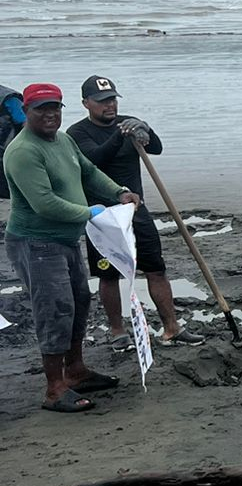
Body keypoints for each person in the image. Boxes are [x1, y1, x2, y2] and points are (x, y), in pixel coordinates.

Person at [3, 83, 141, 412]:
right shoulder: (23, 151)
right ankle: (54, 388)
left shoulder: (63, 140)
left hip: (65, 239)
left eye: (56, 108)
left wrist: (118, 192)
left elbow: (89, 172)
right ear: (26, 111)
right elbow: (44, 204)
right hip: (35, 241)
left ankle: (76, 371)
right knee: (54, 310)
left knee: (79, 301)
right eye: (41, 109)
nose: (50, 114)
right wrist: (89, 212)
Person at [67, 76, 204, 348]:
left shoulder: (128, 122)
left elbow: (157, 148)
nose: (110, 105)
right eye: (103, 101)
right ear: (86, 103)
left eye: (113, 99)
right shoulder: (77, 134)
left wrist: (146, 129)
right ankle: (118, 332)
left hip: (136, 210)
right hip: (103, 217)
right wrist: (120, 136)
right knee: (109, 275)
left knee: (156, 268)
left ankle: (171, 329)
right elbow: (95, 161)